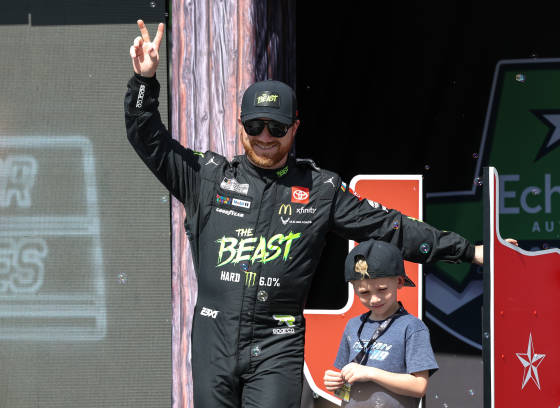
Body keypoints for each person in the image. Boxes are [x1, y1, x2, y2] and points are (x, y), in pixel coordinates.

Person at [126, 20, 487, 408]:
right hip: (214, 336)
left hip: (277, 342)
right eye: (255, 125)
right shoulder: (208, 177)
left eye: (277, 127)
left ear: (295, 127)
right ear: (241, 125)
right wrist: (144, 81)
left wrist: (469, 251)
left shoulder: (320, 189)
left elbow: (391, 227)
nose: (265, 136)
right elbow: (148, 139)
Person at [324, 240, 438, 408]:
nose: (374, 299)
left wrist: (371, 373)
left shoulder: (412, 327)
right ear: (354, 289)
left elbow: (419, 386)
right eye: (364, 292)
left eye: (382, 289)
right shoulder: (353, 325)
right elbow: (346, 384)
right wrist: (336, 382)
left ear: (399, 282)